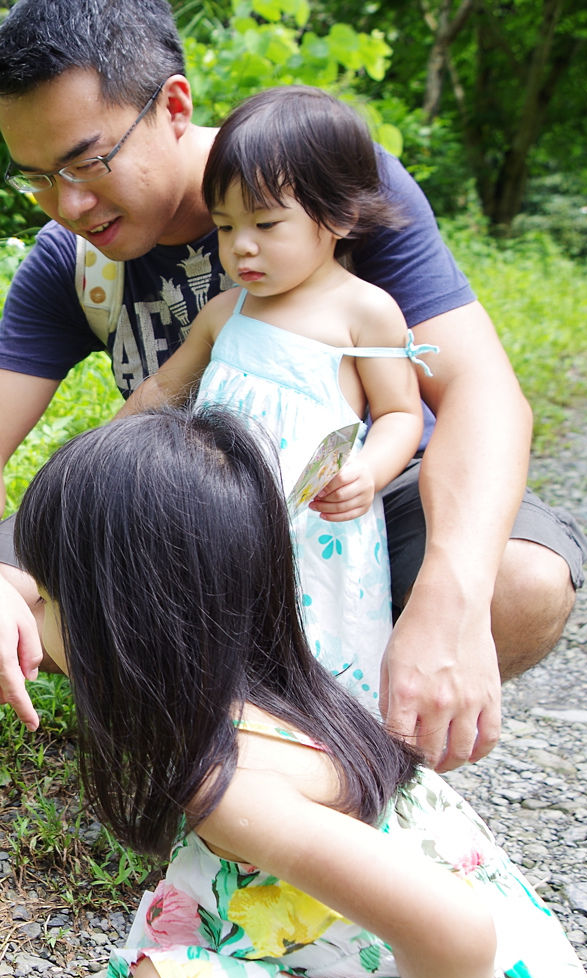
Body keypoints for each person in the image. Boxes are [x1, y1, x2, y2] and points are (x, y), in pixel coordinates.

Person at [0, 0, 587, 769]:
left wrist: (452, 588)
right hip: (198, 517)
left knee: (521, 580)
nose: (69, 204)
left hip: (352, 504)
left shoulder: (321, 178)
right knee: (7, 576)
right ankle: (247, 737)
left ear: (172, 107)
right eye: (39, 179)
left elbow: (483, 393)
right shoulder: (69, 260)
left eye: (86, 162)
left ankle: (368, 729)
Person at [14, 408, 587, 978]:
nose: (34, 614)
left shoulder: (231, 783)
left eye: (43, 595)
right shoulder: (280, 695)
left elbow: (453, 928)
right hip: (450, 959)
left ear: (119, 624)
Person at [119, 85, 433, 711]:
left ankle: (341, 756)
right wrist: (107, 446)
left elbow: (399, 412)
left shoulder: (365, 311)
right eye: (227, 226)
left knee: (320, 656)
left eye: (265, 224)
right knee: (219, 650)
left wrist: (366, 474)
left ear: (340, 216)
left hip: (316, 528)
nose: (242, 246)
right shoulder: (226, 310)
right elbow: (160, 391)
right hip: (220, 518)